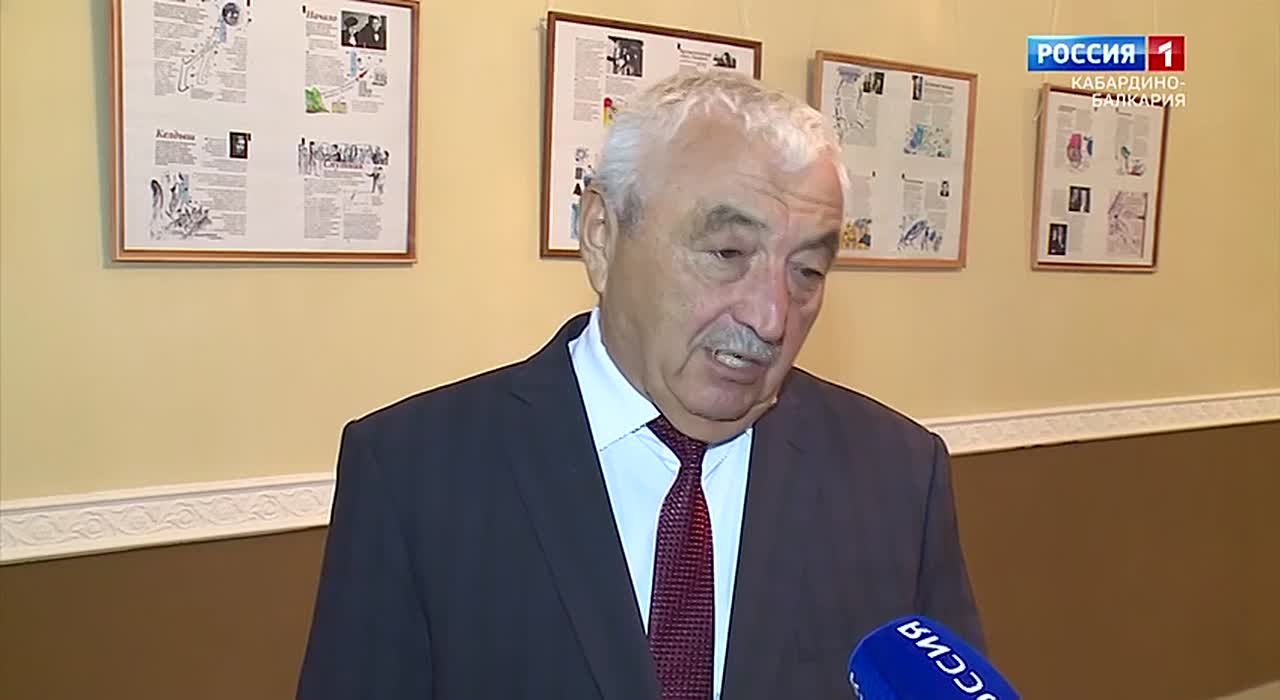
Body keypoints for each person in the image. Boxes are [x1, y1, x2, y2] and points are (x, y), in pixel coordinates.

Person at [296, 70, 984, 699]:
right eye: (727, 253)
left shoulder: (897, 475)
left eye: (806, 271)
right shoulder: (415, 472)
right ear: (601, 234)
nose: (772, 317)